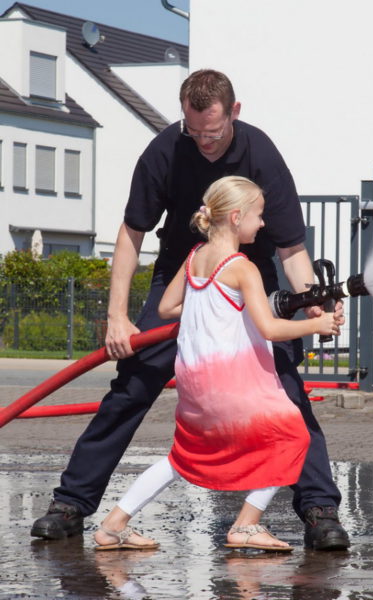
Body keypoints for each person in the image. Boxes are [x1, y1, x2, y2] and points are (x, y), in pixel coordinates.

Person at [31, 69, 351, 551]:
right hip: (185, 270)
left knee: (283, 388)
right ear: (184, 117)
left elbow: (290, 250)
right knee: (134, 383)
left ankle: (320, 510)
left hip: (248, 275)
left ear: (234, 114)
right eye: (194, 131)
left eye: (214, 133)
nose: (203, 141)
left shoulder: (261, 154)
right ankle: (70, 504)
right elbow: (131, 232)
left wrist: (311, 300)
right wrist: (118, 316)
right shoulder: (164, 151)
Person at [93, 176, 339, 553]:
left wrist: (218, 313)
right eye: (258, 216)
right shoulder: (243, 267)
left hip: (195, 379)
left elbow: (166, 307)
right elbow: (271, 328)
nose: (263, 224)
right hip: (234, 380)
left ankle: (114, 525)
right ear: (237, 217)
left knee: (183, 458)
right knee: (294, 437)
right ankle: (246, 524)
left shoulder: (195, 257)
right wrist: (318, 324)